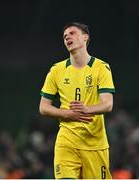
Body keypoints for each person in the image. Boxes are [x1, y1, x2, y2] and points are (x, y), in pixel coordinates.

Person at [39, 22, 115, 179]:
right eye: (65, 36)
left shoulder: (101, 67)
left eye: (72, 33)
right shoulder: (56, 70)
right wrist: (68, 114)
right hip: (67, 140)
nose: (67, 37)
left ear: (85, 37)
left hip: (94, 143)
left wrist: (86, 109)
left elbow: (108, 104)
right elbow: (43, 107)